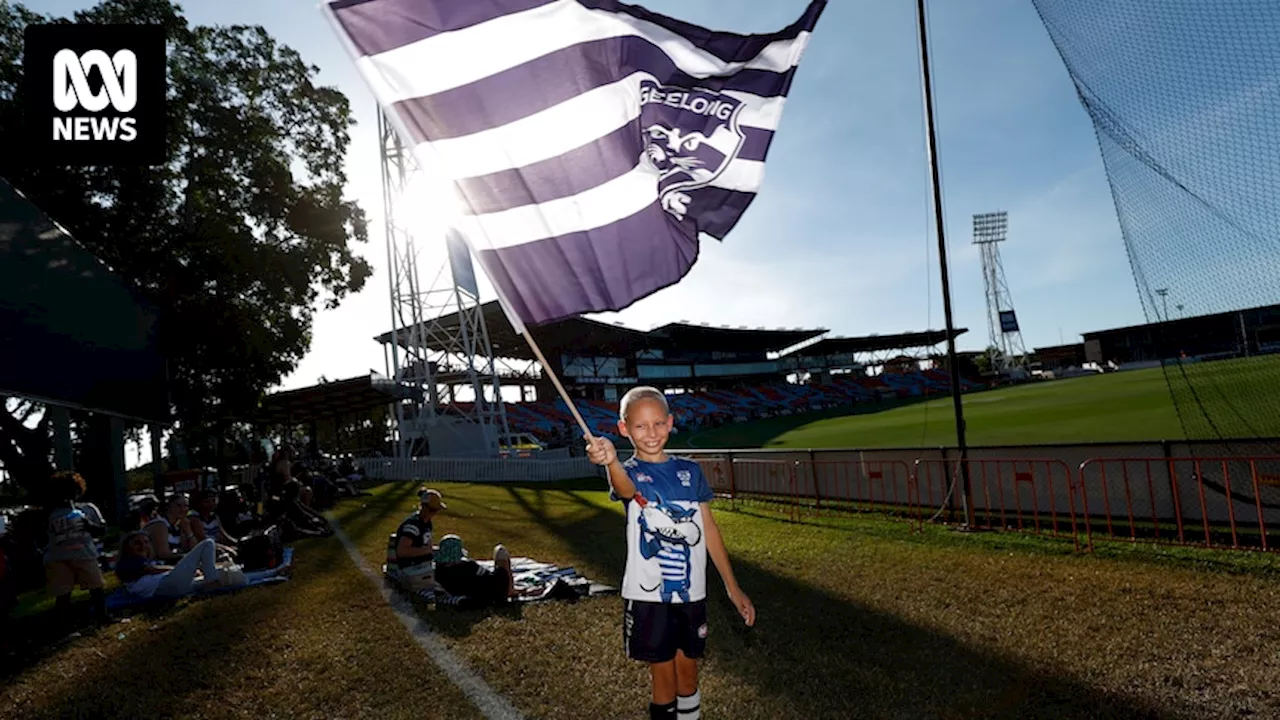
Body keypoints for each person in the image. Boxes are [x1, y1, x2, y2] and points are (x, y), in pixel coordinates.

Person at [586, 386, 755, 720]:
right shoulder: (630, 472)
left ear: (670, 422)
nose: (651, 433)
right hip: (649, 599)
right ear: (624, 429)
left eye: (658, 424)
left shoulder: (690, 472)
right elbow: (625, 489)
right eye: (640, 426)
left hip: (691, 595)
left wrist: (732, 586)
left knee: (688, 672)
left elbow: (709, 530)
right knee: (662, 676)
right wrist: (610, 462)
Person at [42, 471, 108, 631]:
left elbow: (102, 530)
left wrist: (90, 526)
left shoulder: (87, 509)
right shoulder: (50, 514)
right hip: (58, 558)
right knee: (63, 593)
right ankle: (64, 627)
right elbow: (43, 537)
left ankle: (102, 618)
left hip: (83, 554)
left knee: (96, 586)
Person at [114, 532, 229, 599]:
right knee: (207, 543)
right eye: (137, 543)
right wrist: (180, 569)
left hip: (170, 588)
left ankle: (213, 579)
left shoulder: (145, 561)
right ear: (127, 548)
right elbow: (152, 570)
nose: (143, 546)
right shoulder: (129, 561)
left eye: (146, 542)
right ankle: (212, 581)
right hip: (165, 585)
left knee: (225, 576)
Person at [433, 534, 514, 607]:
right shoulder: (469, 566)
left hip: (478, 596)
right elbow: (489, 576)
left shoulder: (438, 573)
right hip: (496, 591)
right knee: (500, 550)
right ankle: (511, 590)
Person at [393, 488, 446, 592]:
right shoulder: (413, 525)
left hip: (422, 564)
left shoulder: (426, 522)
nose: (434, 513)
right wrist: (428, 551)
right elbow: (402, 551)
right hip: (411, 567)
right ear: (424, 507)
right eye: (432, 510)